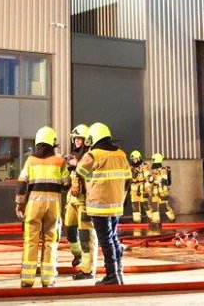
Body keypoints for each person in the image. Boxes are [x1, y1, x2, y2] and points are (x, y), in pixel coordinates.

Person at [72, 122, 129, 285]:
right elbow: (128, 180)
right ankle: (118, 274)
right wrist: (119, 199)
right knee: (114, 239)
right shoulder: (121, 154)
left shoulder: (92, 155)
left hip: (98, 206)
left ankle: (112, 276)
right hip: (116, 206)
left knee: (106, 240)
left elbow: (79, 174)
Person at [16, 127, 69, 288]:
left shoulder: (31, 161)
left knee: (31, 242)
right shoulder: (59, 161)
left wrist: (19, 204)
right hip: (53, 207)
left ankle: (27, 280)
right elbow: (67, 183)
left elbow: (22, 183)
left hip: (34, 206)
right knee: (50, 241)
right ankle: (48, 279)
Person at [64, 124, 98, 280]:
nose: (77, 141)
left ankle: (87, 269)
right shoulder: (75, 154)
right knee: (69, 228)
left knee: (85, 235)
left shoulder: (90, 155)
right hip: (72, 198)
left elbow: (88, 174)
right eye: (76, 138)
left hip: (84, 200)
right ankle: (77, 255)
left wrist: (75, 165)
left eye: (80, 138)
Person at [144, 153, 176, 232]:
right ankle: (156, 221)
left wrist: (157, 179)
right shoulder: (154, 170)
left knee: (163, 206)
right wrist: (150, 180)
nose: (152, 162)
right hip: (155, 191)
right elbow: (151, 180)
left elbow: (164, 180)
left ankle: (172, 218)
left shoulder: (163, 170)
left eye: (153, 160)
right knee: (154, 206)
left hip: (162, 191)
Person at [127, 151, 148, 224]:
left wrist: (141, 180)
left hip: (142, 187)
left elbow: (147, 177)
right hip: (134, 188)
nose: (134, 161)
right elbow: (128, 177)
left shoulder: (144, 166)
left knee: (146, 204)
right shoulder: (131, 167)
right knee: (135, 205)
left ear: (139, 158)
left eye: (135, 159)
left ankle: (152, 219)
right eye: (133, 159)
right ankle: (137, 221)